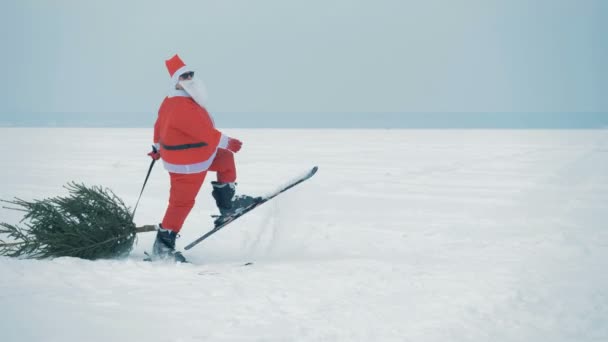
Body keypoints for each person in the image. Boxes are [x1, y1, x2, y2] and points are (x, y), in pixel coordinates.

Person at [148, 54, 260, 262]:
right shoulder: (180, 106)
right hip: (187, 165)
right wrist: (228, 142)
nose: (189, 78)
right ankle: (163, 247)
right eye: (184, 76)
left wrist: (156, 146)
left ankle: (228, 206)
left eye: (191, 74)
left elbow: (159, 125)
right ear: (176, 82)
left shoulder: (172, 100)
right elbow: (202, 131)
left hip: (197, 155)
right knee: (181, 203)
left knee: (224, 160)